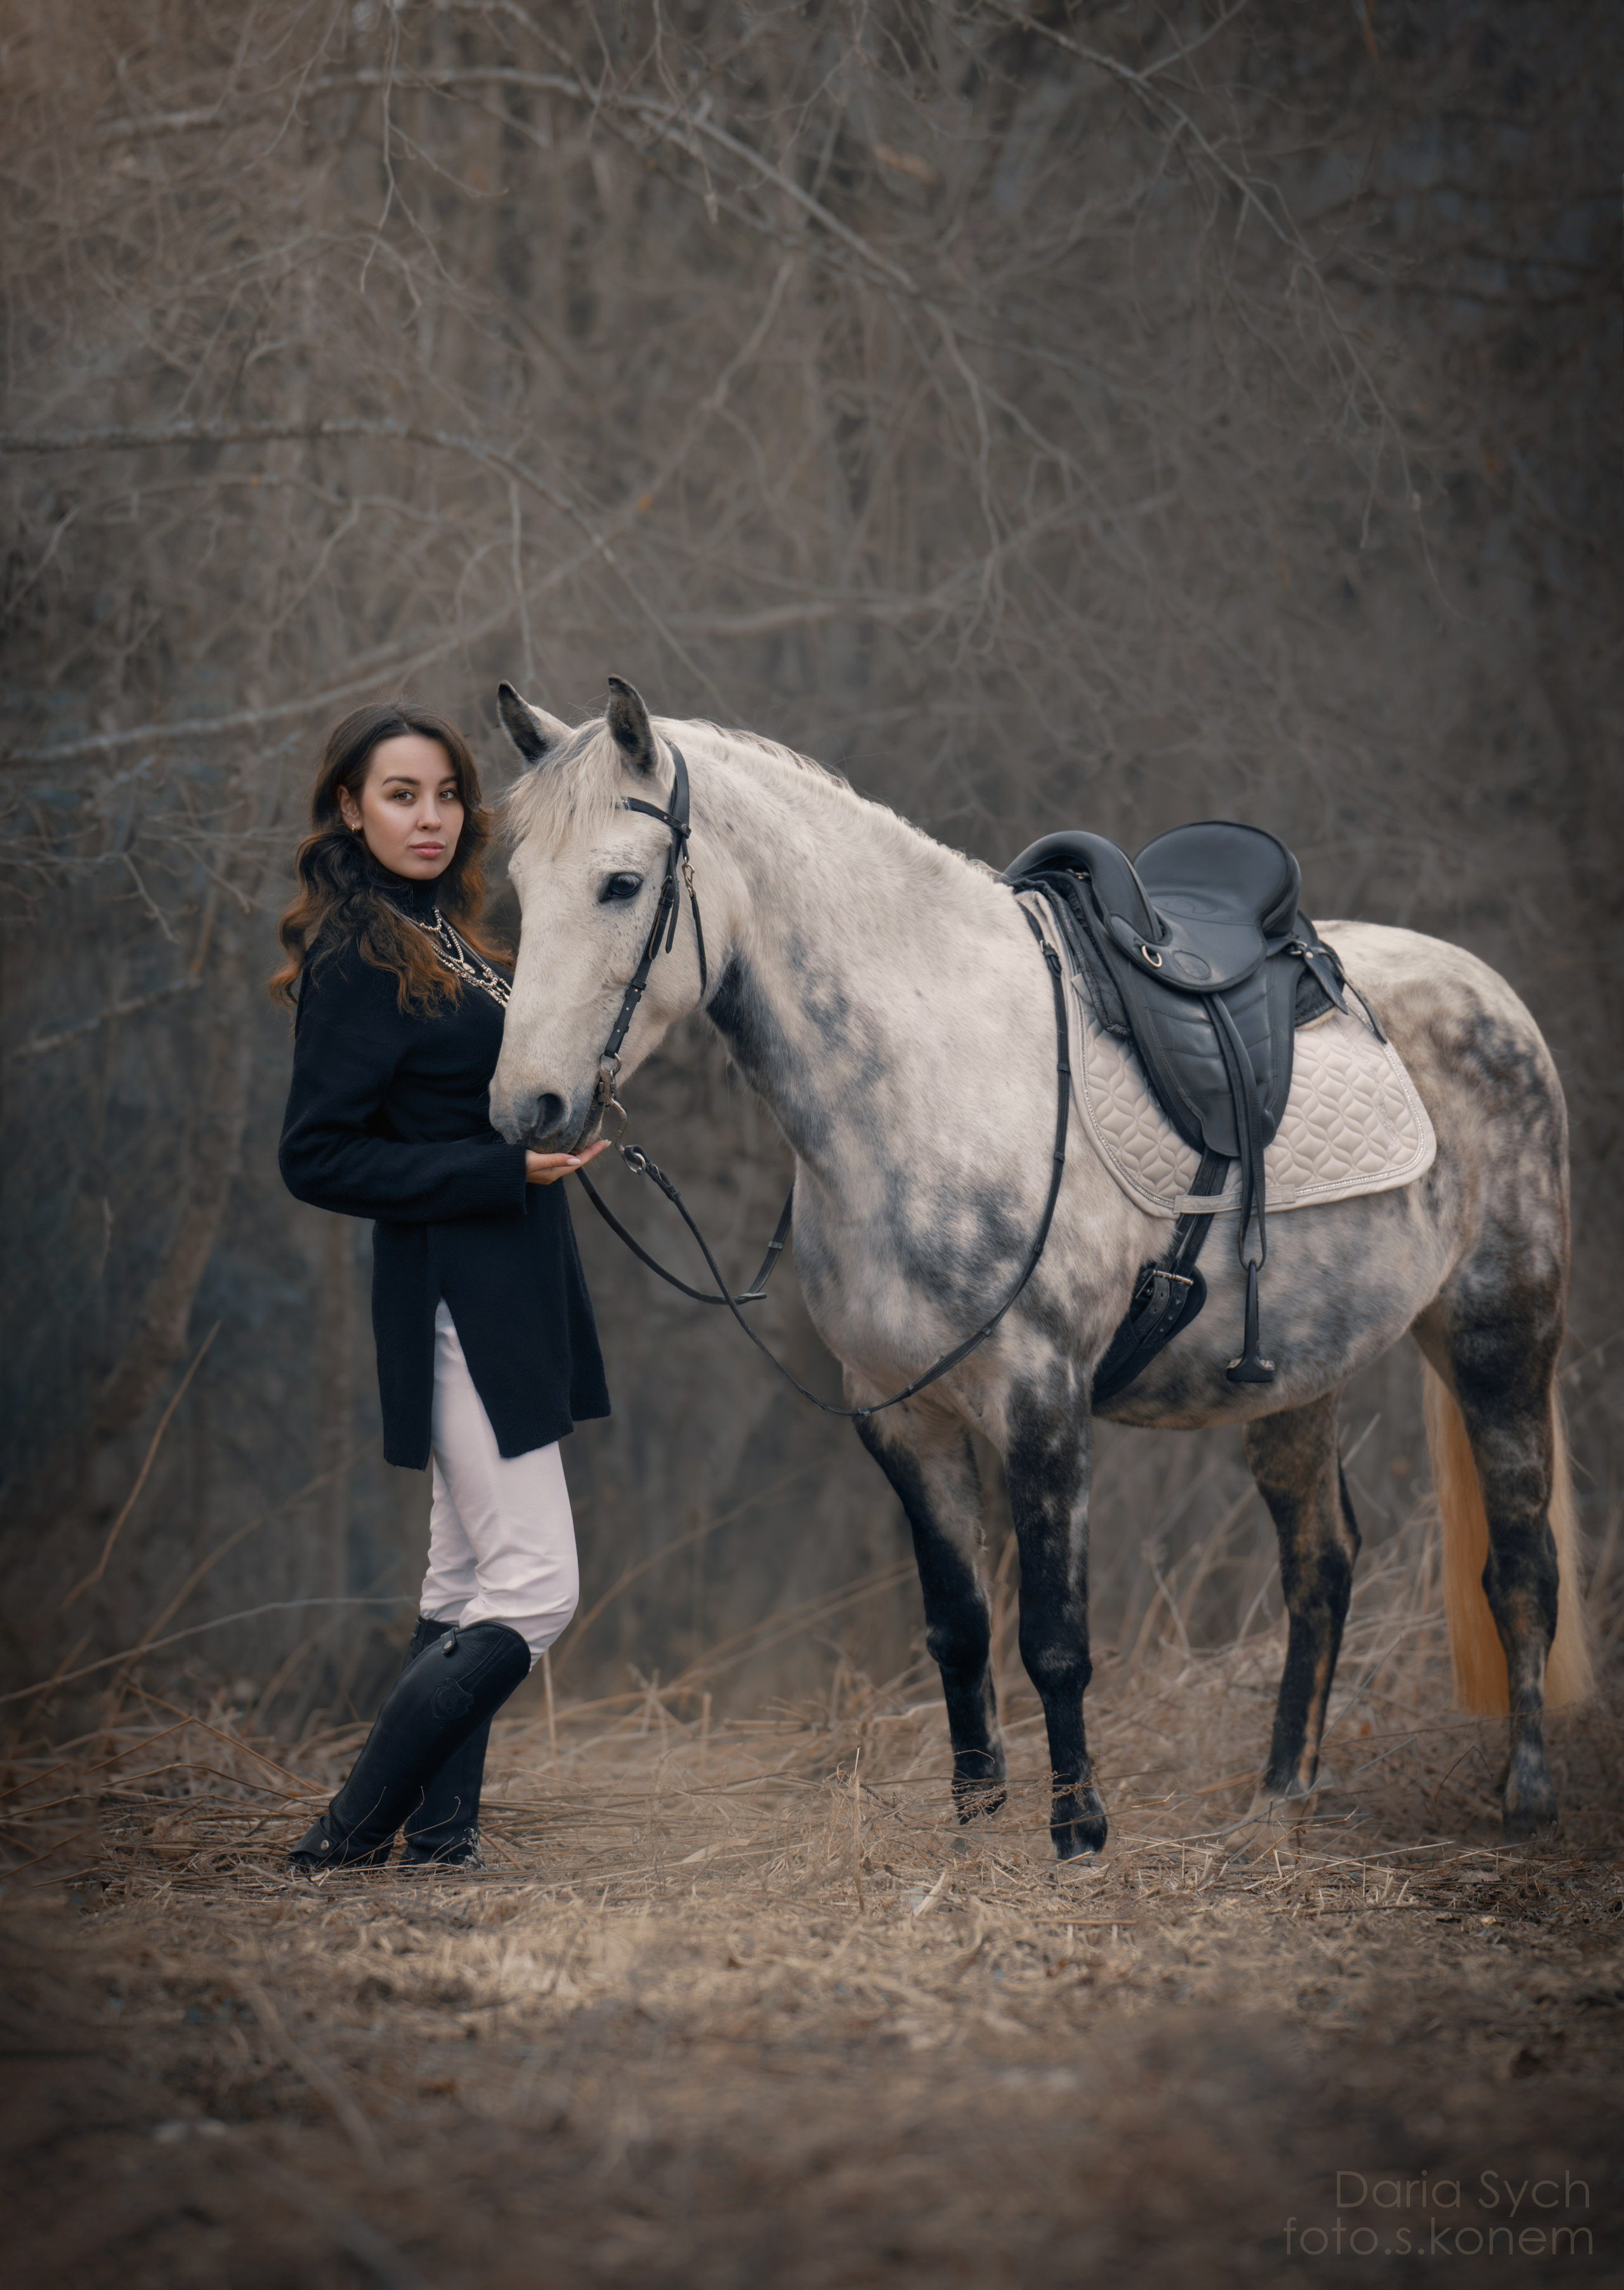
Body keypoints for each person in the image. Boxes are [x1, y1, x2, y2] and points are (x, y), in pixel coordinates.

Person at [273, 700, 610, 1871]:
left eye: (446, 794)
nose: (429, 816)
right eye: (400, 794)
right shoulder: (362, 949)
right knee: (535, 1591)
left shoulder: (448, 935)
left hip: (510, 1276)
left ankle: (442, 1841)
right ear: (352, 808)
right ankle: (349, 1837)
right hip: (455, 1293)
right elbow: (315, 1153)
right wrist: (495, 1166)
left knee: (466, 1577)